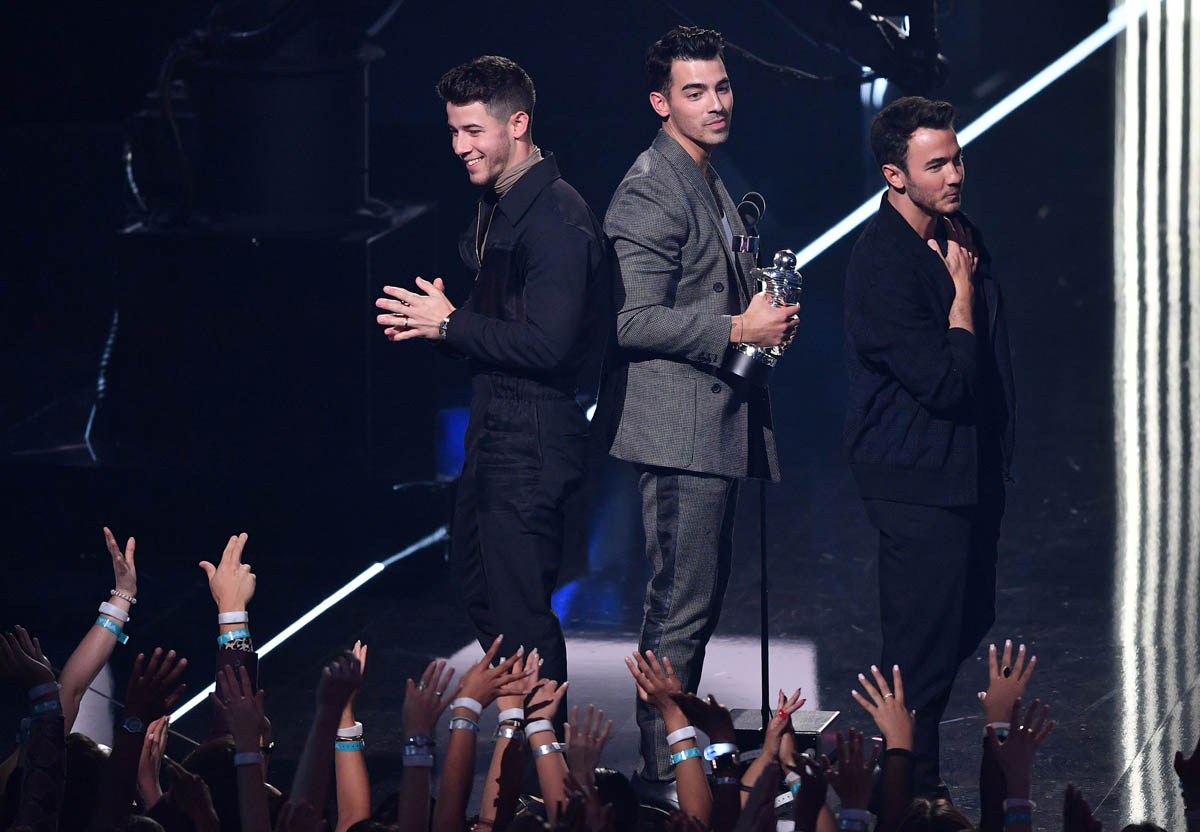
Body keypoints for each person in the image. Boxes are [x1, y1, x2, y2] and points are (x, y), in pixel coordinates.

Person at [597, 25, 797, 793]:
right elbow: (630, 318)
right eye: (695, 92)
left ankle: (674, 758)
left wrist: (763, 312)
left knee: (696, 603)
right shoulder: (651, 186)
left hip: (712, 424)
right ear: (661, 103)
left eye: (722, 87)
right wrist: (737, 328)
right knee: (680, 605)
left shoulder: (705, 175)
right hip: (677, 431)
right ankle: (662, 770)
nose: (716, 103)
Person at [374, 55, 610, 699]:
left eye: (474, 131)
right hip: (496, 426)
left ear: (518, 124)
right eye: (454, 131)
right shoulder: (502, 207)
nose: (460, 147)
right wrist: (441, 326)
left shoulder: (556, 218)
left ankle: (548, 755)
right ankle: (525, 731)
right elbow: (507, 326)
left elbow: (550, 344)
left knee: (520, 615)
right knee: (481, 589)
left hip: (532, 435)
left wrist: (453, 324)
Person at [843, 95, 1016, 797]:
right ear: (895, 175)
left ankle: (917, 784)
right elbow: (945, 383)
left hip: (968, 471)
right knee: (919, 654)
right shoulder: (882, 263)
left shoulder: (960, 234)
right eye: (936, 164)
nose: (955, 175)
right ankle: (910, 793)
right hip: (913, 477)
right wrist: (960, 297)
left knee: (962, 625)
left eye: (957, 159)